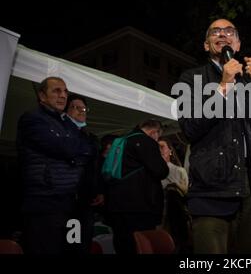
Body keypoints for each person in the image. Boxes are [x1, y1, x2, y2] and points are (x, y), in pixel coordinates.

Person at [177, 18, 251, 254]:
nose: (223, 34)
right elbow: (189, 128)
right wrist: (223, 85)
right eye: (215, 32)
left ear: (238, 44)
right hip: (212, 192)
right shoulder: (190, 78)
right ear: (206, 45)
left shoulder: (250, 82)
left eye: (229, 31)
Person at [16, 77, 97, 254]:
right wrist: (72, 150)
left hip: (70, 205)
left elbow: (88, 147)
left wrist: (72, 149)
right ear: (42, 96)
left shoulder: (68, 123)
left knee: (71, 249)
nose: (62, 95)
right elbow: (64, 148)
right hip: (44, 205)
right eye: (56, 91)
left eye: (65, 91)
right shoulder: (32, 119)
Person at [105, 119, 169, 254]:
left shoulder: (121, 141)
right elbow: (161, 171)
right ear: (153, 132)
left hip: (116, 203)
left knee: (122, 242)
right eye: (158, 136)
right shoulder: (146, 141)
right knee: (140, 244)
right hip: (138, 205)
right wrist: (164, 158)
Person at [64, 94, 103, 254]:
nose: (81, 111)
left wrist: (99, 190)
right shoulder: (61, 133)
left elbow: (95, 167)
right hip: (68, 199)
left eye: (84, 108)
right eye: (75, 107)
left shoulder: (91, 138)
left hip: (87, 201)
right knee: (71, 242)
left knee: (83, 242)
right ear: (65, 111)